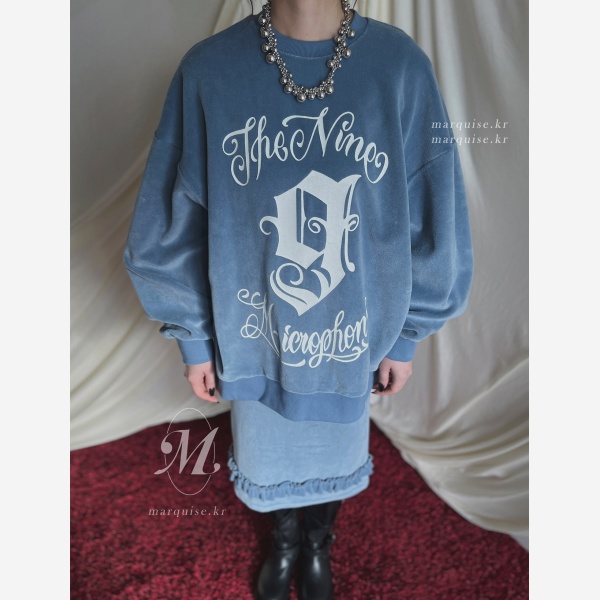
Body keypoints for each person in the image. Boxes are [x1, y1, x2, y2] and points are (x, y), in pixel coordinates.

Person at [123, 0, 473, 598]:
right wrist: (194, 338)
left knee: (335, 449)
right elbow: (172, 217)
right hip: (253, 336)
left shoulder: (399, 68)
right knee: (268, 452)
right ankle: (283, 540)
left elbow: (432, 205)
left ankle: (317, 542)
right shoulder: (210, 70)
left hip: (349, 340)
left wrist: (408, 333)